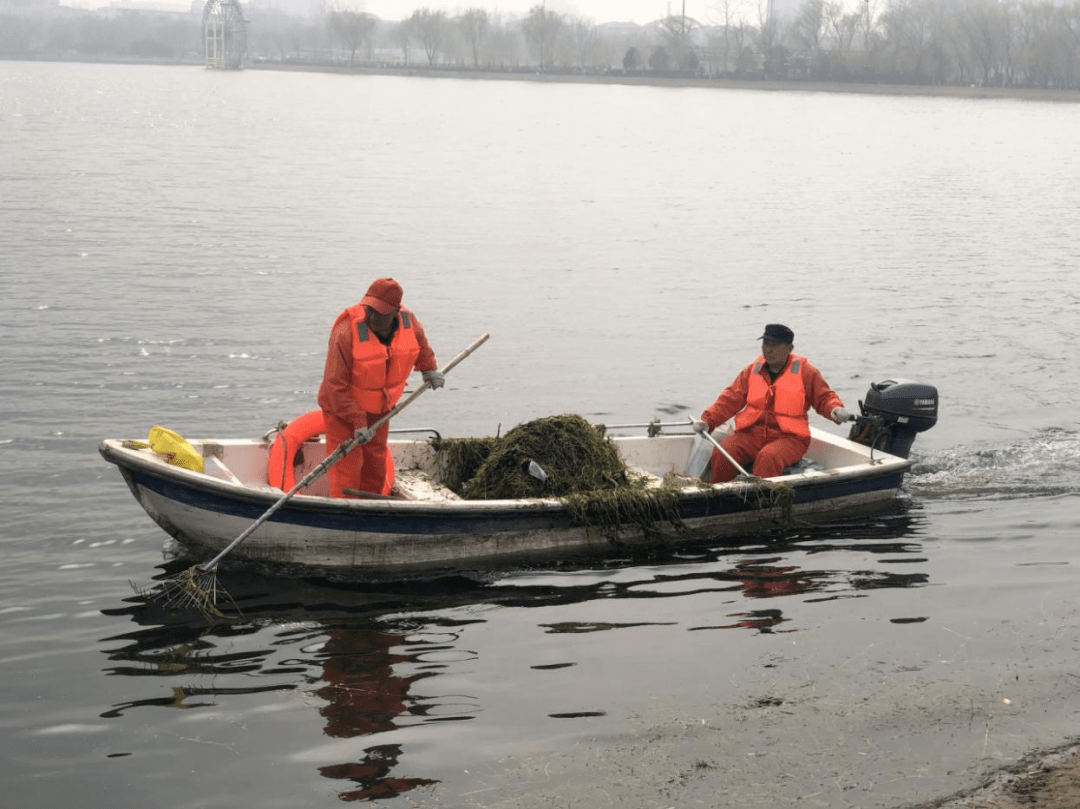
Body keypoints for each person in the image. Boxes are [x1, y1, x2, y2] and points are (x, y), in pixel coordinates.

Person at [317, 277, 443, 497]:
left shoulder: (408, 321)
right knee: (347, 467)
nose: (373, 316)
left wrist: (429, 369)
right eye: (370, 309)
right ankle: (346, 516)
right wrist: (356, 420)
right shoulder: (346, 331)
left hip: (379, 410)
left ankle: (370, 511)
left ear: (396, 311)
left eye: (381, 312)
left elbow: (420, 344)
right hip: (343, 412)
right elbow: (334, 384)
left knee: (375, 465)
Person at [693, 324, 850, 483]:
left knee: (768, 458)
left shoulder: (806, 372)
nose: (768, 350)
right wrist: (708, 420)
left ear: (790, 348)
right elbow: (729, 399)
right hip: (751, 434)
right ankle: (717, 498)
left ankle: (761, 503)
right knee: (723, 453)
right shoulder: (752, 370)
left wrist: (835, 409)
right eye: (765, 344)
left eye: (774, 345)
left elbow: (824, 398)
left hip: (790, 439)